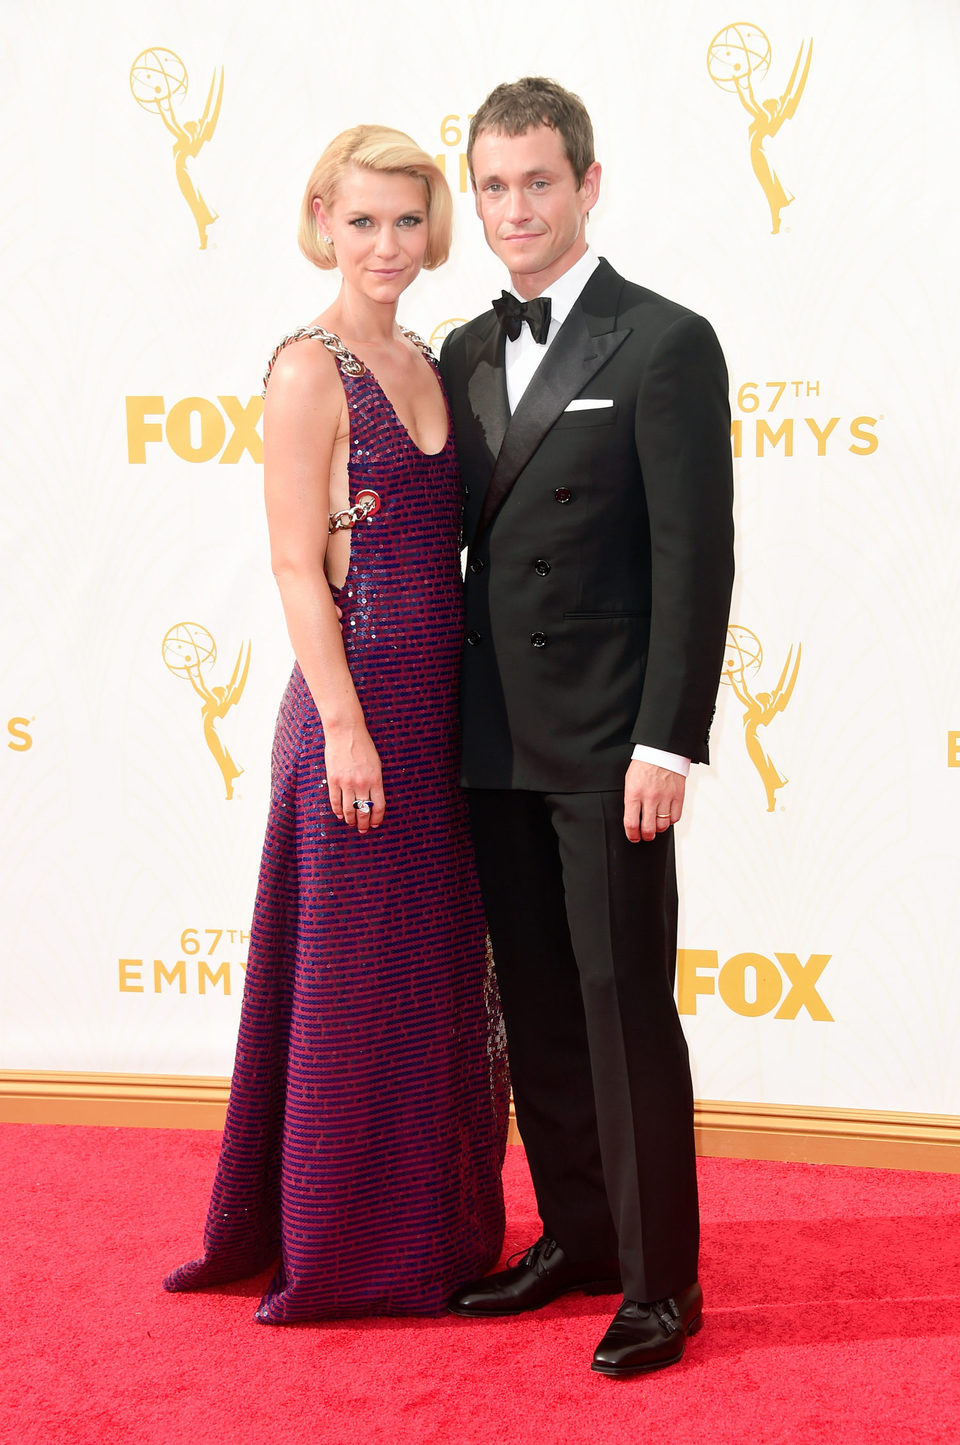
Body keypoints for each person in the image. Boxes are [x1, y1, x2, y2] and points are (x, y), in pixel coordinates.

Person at [164, 126, 508, 1321]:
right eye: (361, 220)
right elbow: (296, 566)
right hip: (355, 710)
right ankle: (343, 1244)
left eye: (407, 220)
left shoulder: (427, 354)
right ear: (321, 218)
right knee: (350, 990)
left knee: (428, 981)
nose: (385, 244)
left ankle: (436, 1229)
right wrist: (346, 729)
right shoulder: (309, 367)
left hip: (443, 710)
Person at [439, 78, 735, 1375]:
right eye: (494, 185)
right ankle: (578, 1234)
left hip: (612, 746)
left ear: (589, 183)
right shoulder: (458, 348)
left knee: (623, 1010)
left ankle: (662, 1281)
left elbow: (695, 559)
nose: (516, 208)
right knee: (544, 1010)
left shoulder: (664, 341)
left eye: (538, 182)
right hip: (492, 740)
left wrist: (667, 741)